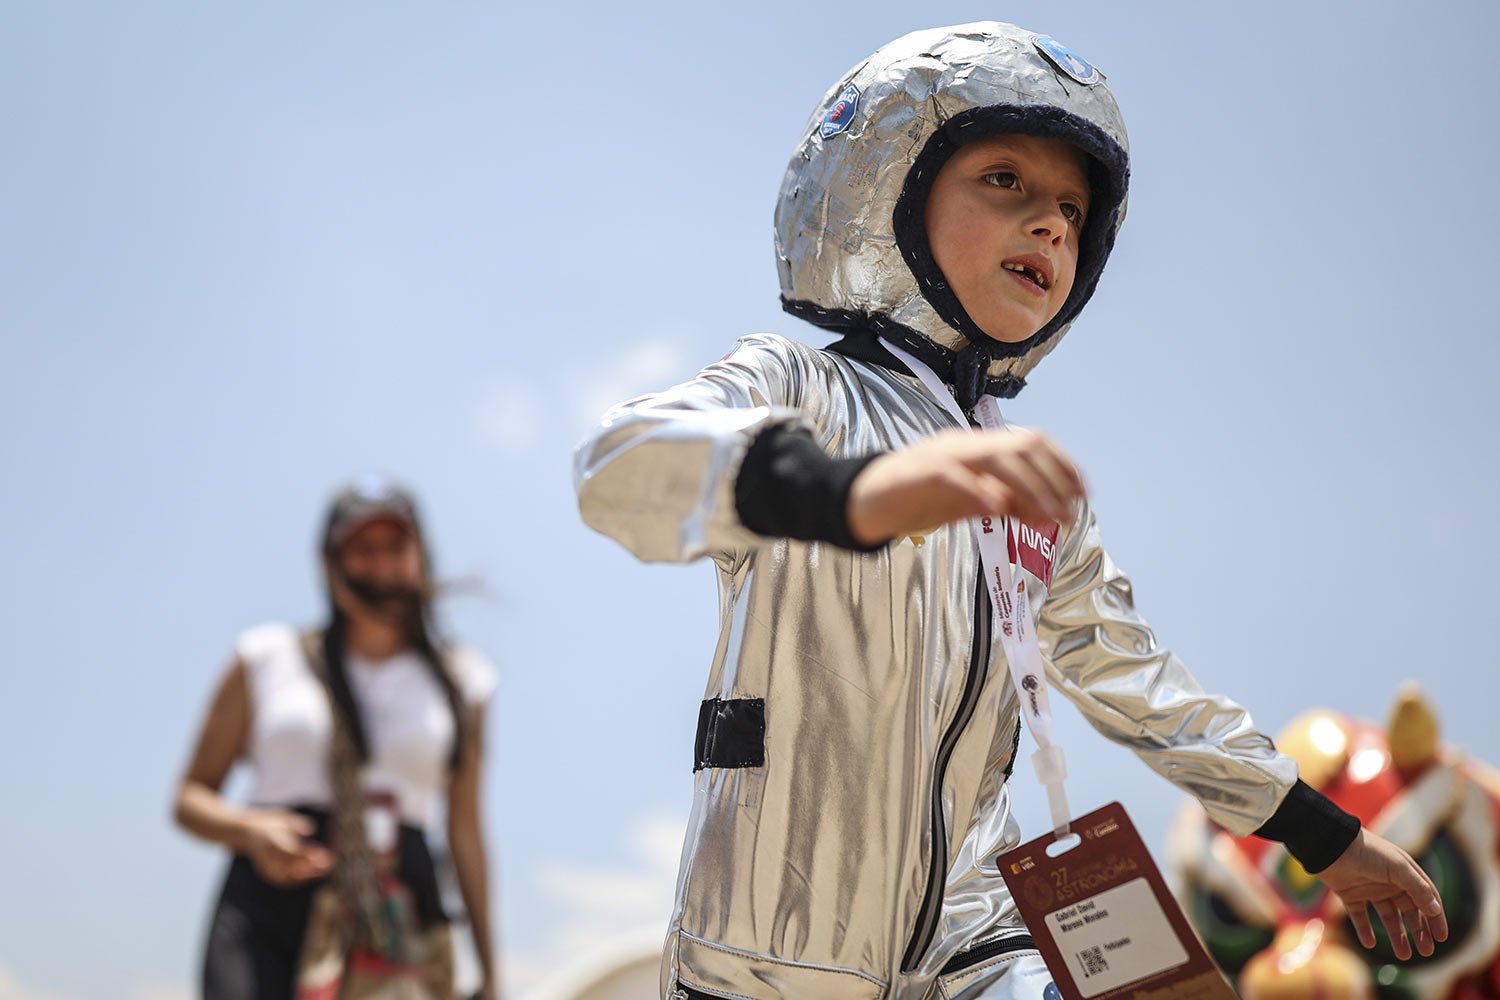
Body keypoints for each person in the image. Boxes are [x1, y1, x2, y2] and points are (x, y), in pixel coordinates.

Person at [574, 22, 1446, 1000]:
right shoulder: (802, 390)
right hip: (773, 956)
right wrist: (849, 491)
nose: (1052, 226)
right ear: (890, 190)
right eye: (1006, 181)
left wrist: (1325, 836)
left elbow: (1139, 684)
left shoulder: (1032, 490)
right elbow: (620, 463)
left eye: (1074, 209)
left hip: (976, 938)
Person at [174, 476, 500, 999]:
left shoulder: (464, 681)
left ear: (420, 555)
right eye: (361, 549)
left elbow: (465, 830)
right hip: (271, 904)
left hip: (397, 915)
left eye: (395, 547)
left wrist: (490, 970)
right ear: (329, 563)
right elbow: (189, 798)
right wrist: (249, 830)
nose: (381, 564)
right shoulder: (265, 656)